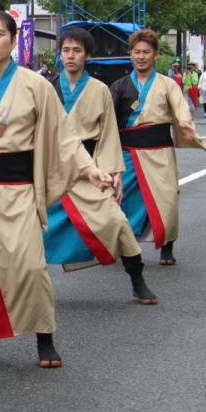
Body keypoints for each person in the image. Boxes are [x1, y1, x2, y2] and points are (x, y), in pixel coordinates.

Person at [0, 11, 113, 369]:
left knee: (29, 268)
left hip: (16, 191)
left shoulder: (36, 86)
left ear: (13, 41)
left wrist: (90, 170)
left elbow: (64, 137)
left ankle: (45, 338)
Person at [42, 27, 157, 304]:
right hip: (51, 169)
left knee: (117, 222)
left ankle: (137, 278)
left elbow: (108, 134)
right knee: (25, 229)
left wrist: (114, 172)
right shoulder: (44, 89)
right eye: (66, 50)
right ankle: (16, 289)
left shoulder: (99, 90)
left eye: (77, 51)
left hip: (89, 171)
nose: (70, 56)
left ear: (88, 56)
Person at [110, 29, 206, 267]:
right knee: (123, 199)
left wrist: (185, 124)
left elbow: (180, 109)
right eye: (136, 52)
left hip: (160, 150)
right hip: (129, 152)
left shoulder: (168, 84)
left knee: (167, 199)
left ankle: (167, 245)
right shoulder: (119, 86)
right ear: (130, 55)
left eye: (146, 52)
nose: (141, 57)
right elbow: (109, 120)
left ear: (155, 55)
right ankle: (125, 245)